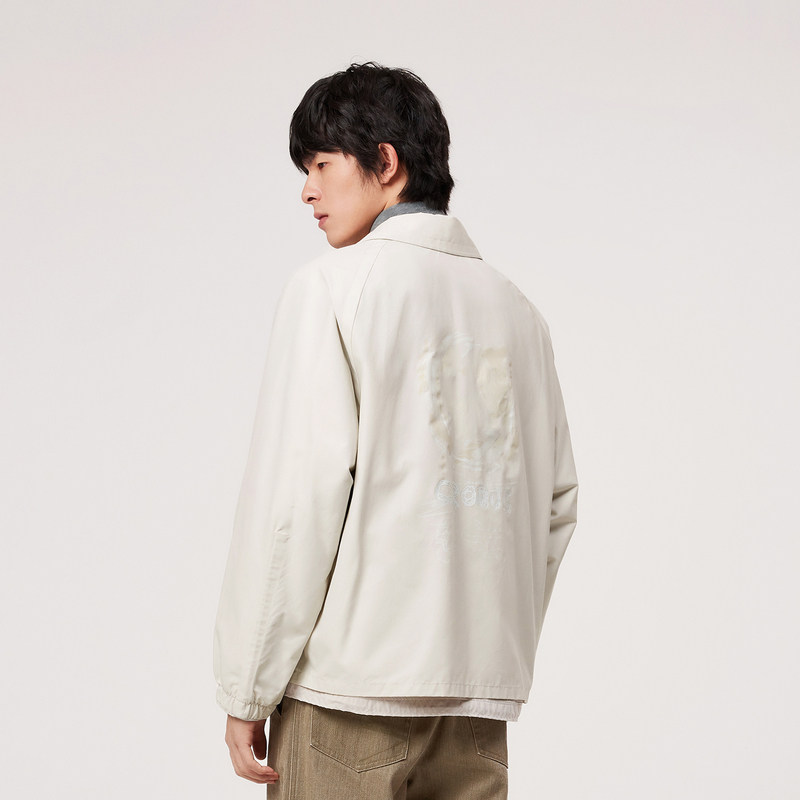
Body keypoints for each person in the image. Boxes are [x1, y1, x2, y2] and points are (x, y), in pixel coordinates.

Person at [212, 61, 579, 799]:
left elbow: (295, 504)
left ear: (385, 163)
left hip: (347, 696)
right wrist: (489, 651)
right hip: (476, 708)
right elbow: (556, 505)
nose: (307, 191)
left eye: (321, 165)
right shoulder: (520, 314)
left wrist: (247, 688)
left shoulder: (331, 288)